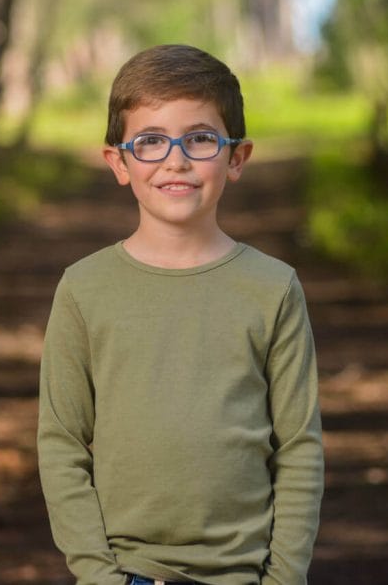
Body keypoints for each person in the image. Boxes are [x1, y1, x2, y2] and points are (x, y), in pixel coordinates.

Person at [37, 44, 324, 585]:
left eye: (199, 138)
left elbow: (299, 446)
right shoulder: (84, 288)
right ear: (118, 162)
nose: (176, 160)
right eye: (150, 141)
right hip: (130, 571)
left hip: (245, 574)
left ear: (236, 157)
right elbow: (62, 443)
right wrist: (99, 576)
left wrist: (284, 578)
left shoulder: (273, 287)